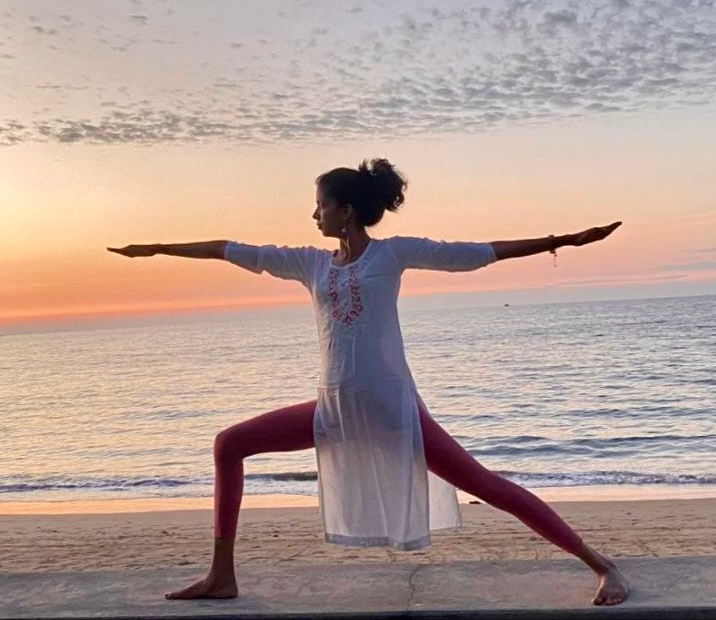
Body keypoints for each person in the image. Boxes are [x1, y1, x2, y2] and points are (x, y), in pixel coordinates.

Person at [108, 157, 629, 606]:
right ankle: (222, 576)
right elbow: (233, 248)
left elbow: (475, 253)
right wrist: (157, 248)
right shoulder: (310, 264)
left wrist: (562, 241)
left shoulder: (392, 254)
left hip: (388, 407)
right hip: (333, 409)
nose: (314, 214)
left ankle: (602, 565)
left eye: (321, 205)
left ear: (347, 211)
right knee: (229, 444)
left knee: (486, 486)